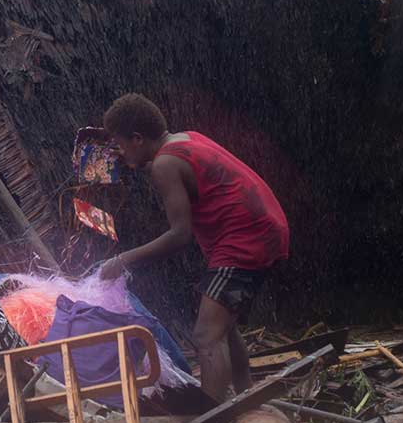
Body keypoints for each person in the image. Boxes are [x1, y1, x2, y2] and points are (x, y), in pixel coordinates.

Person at [97, 93, 288, 401]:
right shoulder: (184, 140)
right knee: (224, 327)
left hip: (245, 237)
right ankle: (246, 399)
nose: (119, 153)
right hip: (265, 226)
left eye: (120, 144)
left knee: (205, 335)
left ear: (137, 138)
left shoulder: (164, 165)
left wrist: (122, 260)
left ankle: (209, 422)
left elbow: (180, 234)